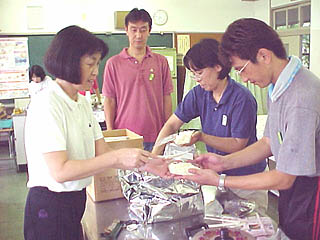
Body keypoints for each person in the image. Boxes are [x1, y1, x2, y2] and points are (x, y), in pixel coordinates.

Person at [176, 18, 320, 240]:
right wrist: (223, 162)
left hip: (311, 193)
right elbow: (268, 143)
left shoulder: (302, 96)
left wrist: (220, 180)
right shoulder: (278, 87)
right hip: (292, 192)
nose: (243, 78)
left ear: (263, 55)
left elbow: (285, 177)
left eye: (241, 69)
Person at [23, 25, 163, 240]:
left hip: (74, 200)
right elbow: (60, 171)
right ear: (69, 61)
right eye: (90, 64)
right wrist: (116, 156)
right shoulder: (47, 104)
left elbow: (102, 151)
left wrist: (150, 163)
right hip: (49, 206)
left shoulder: (81, 102)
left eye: (97, 63)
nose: (96, 71)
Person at [152, 38, 268, 212]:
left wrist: (201, 136)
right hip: (219, 176)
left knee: (251, 230)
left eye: (199, 73)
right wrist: (155, 157)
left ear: (218, 67)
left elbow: (237, 144)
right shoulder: (200, 93)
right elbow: (171, 125)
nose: (196, 79)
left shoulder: (241, 99)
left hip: (247, 179)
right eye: (193, 74)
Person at [102, 8, 173, 151]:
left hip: (156, 136)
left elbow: (167, 97)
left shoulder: (161, 62)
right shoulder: (113, 63)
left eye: (143, 29)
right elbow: (109, 100)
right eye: (134, 30)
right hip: (125, 137)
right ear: (126, 30)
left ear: (149, 30)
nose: (138, 35)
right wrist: (111, 134)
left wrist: (168, 131)